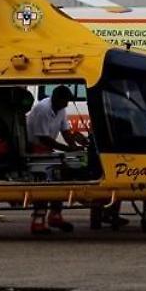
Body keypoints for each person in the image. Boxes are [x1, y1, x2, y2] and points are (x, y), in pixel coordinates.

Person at [26, 85, 85, 235]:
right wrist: (67, 149)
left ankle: (55, 215)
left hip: (46, 149)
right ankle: (38, 221)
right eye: (65, 101)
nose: (67, 104)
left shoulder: (61, 109)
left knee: (62, 178)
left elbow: (65, 131)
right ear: (57, 99)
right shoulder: (43, 110)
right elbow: (43, 138)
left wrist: (74, 148)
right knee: (46, 183)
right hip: (35, 150)